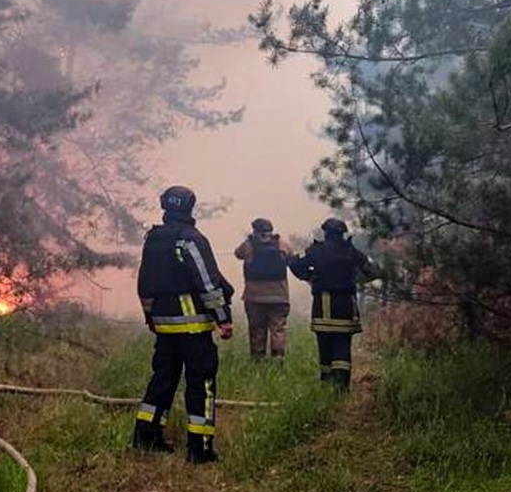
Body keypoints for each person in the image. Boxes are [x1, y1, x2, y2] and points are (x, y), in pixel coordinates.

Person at [133, 184, 235, 463]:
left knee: (162, 379)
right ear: (190, 207)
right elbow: (208, 283)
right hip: (193, 327)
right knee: (201, 383)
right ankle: (199, 448)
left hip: (164, 326)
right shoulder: (191, 239)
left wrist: (151, 318)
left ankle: (146, 436)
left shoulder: (152, 239)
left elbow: (144, 284)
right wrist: (223, 319)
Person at [288, 218, 378, 390]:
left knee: (325, 344)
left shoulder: (315, 251)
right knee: (342, 345)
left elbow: (293, 263)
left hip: (323, 307)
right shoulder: (351, 251)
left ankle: (326, 382)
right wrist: (355, 280)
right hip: (345, 307)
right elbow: (373, 270)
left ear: (325, 232)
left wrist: (309, 277)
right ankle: (341, 386)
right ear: (342, 233)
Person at [233, 218, 293, 360]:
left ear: (255, 230)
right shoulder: (281, 245)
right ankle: (278, 358)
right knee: (278, 329)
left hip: (254, 297)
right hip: (280, 296)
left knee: (257, 329)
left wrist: (249, 240)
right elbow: (291, 255)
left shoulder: (248, 245)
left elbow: (238, 254)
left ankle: (257, 358)